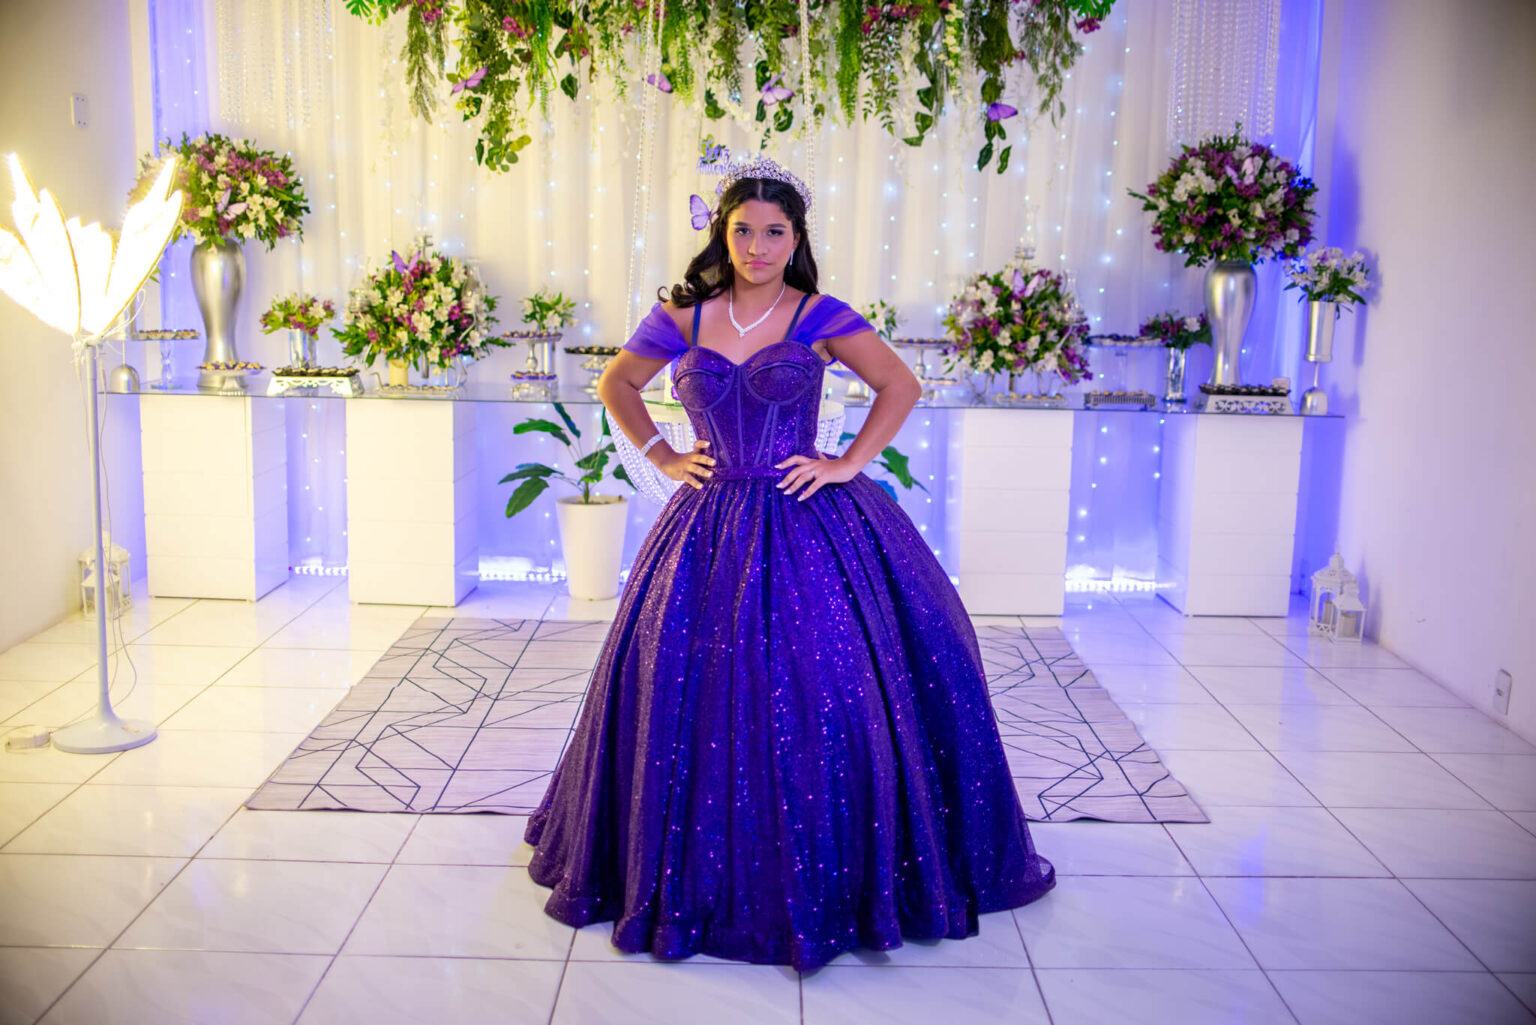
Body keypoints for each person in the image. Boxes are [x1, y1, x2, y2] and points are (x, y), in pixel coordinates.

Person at [524, 154, 1053, 971]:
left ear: (797, 238)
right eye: (743, 230)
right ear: (722, 233)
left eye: (775, 232)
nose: (757, 246)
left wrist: (846, 463)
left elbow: (900, 385)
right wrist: (663, 454)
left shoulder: (820, 313)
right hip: (709, 521)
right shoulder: (684, 315)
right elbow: (617, 384)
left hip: (805, 517)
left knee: (819, 683)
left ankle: (829, 863)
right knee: (684, 683)